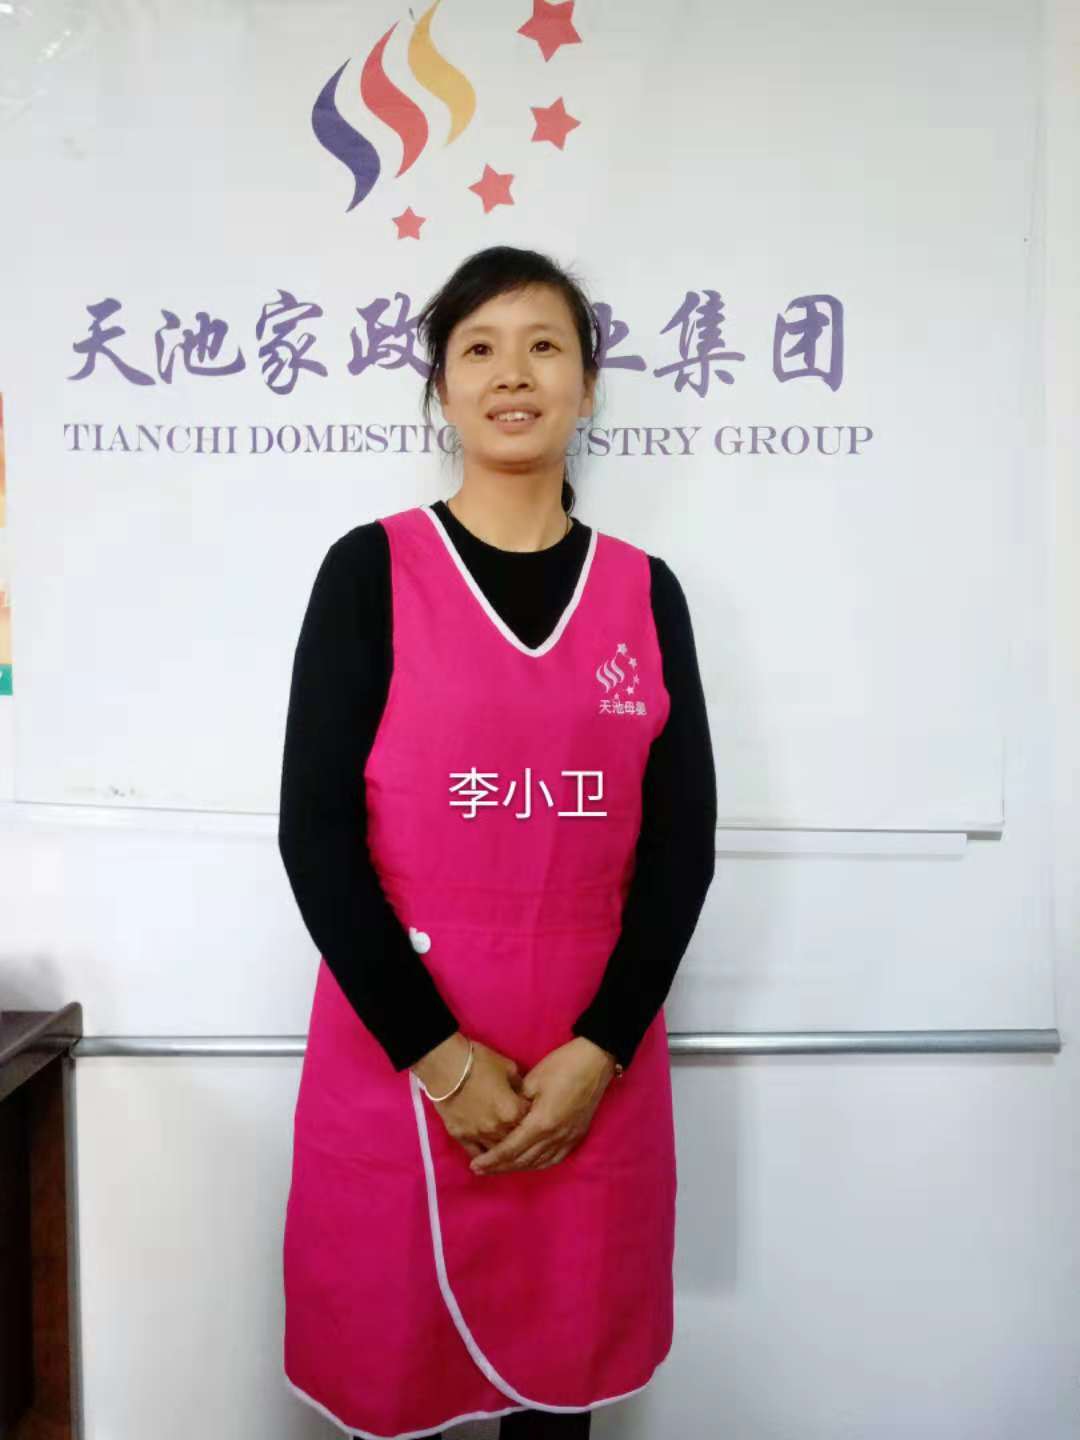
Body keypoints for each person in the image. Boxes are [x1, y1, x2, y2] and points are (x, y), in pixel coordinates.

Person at [278, 245, 717, 1439]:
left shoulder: (645, 592)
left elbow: (680, 850)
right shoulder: (372, 572)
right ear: (441, 388)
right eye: (478, 348)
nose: (512, 374)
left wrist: (601, 1051)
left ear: (587, 385)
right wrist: (441, 1059)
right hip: (401, 1060)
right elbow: (316, 837)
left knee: (558, 1399)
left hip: (587, 1073)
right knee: (389, 1385)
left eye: (543, 346)